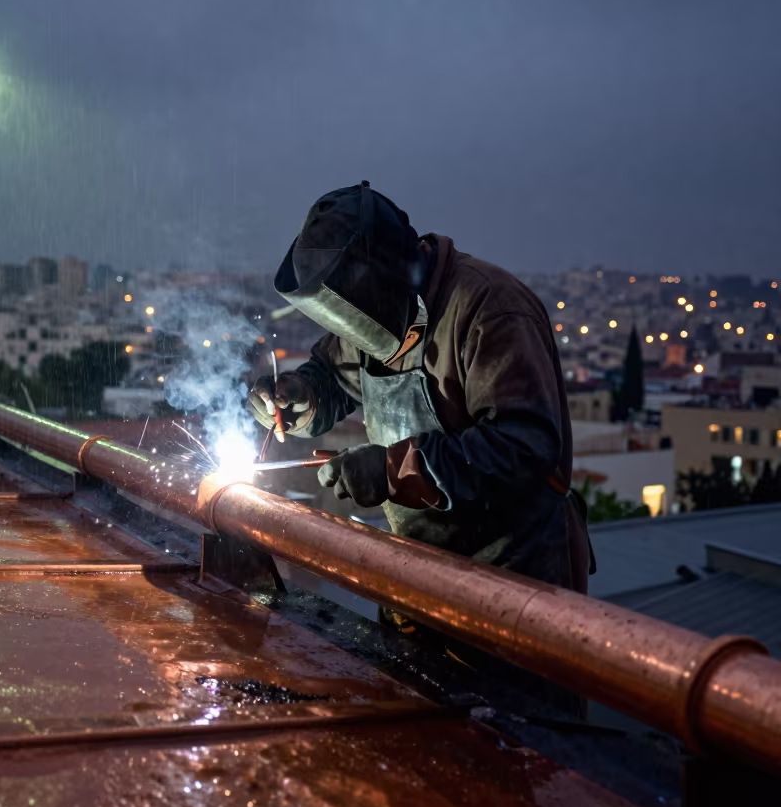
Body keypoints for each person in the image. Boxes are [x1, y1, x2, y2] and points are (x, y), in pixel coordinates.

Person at [248, 181, 592, 594]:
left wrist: (394, 471)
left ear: (383, 275)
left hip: (513, 580)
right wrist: (299, 396)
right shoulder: (371, 311)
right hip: (421, 569)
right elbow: (333, 377)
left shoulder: (490, 309)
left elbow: (523, 448)